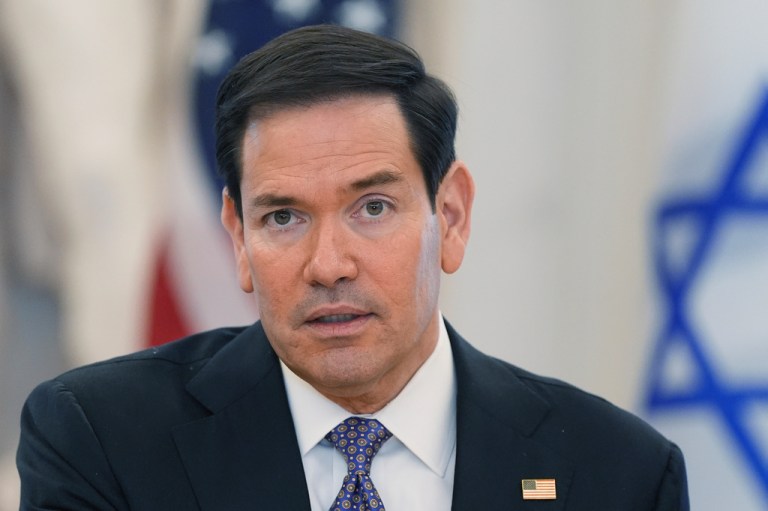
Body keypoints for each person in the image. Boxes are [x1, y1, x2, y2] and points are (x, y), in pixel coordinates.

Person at [17, 24, 689, 511]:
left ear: (450, 216)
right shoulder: (101, 441)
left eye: (371, 207)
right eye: (283, 217)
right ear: (238, 238)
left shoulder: (616, 472)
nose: (328, 264)